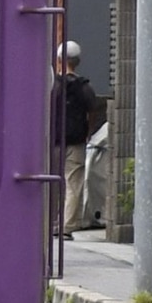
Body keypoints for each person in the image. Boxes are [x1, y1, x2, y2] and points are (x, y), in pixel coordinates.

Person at [54, 39, 97, 236]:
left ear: (60, 60)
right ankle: (68, 225)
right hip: (76, 141)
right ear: (78, 61)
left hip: (52, 142)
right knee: (73, 184)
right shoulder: (84, 88)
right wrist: (87, 134)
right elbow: (92, 113)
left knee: (50, 182)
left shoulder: (52, 85)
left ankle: (49, 222)